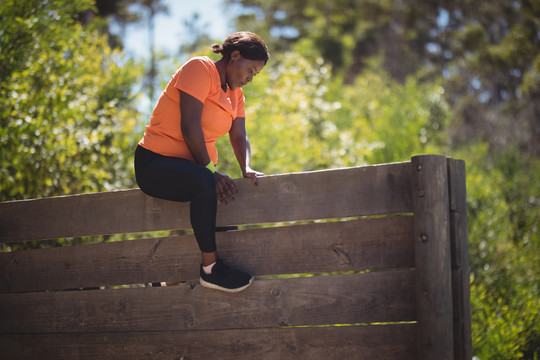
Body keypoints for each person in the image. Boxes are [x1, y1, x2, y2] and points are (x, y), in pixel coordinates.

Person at [134, 32, 269, 293]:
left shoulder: (236, 96)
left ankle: (167, 284)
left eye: (255, 75)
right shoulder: (199, 68)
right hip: (155, 164)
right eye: (250, 70)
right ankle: (210, 270)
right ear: (234, 56)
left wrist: (246, 168)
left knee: (226, 204)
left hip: (196, 171)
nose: (250, 78)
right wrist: (210, 172)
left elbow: (239, 135)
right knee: (207, 181)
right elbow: (189, 126)